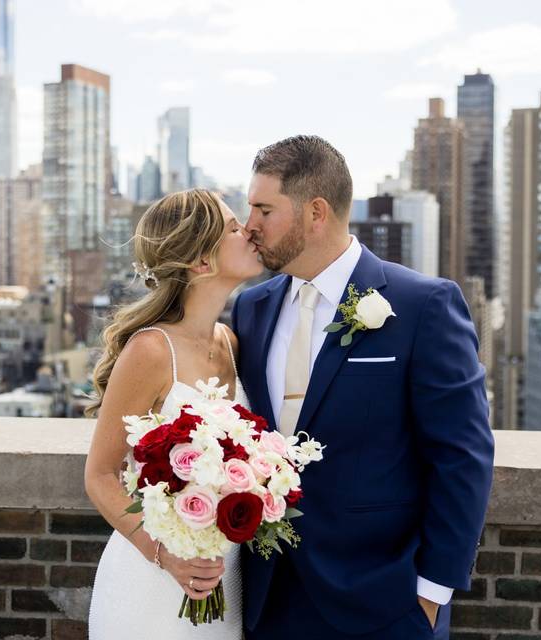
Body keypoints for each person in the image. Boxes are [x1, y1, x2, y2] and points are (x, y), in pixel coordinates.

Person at [232, 135, 495, 640]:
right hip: (268, 601)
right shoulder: (252, 308)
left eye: (265, 209)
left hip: (386, 603)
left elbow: (463, 455)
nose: (251, 226)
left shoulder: (424, 306)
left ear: (316, 212)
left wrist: (432, 593)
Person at [84, 189, 263, 639]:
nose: (250, 232)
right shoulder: (150, 350)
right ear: (202, 262)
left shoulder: (231, 342)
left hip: (225, 577)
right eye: (234, 228)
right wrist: (165, 554)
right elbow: (100, 475)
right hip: (154, 584)